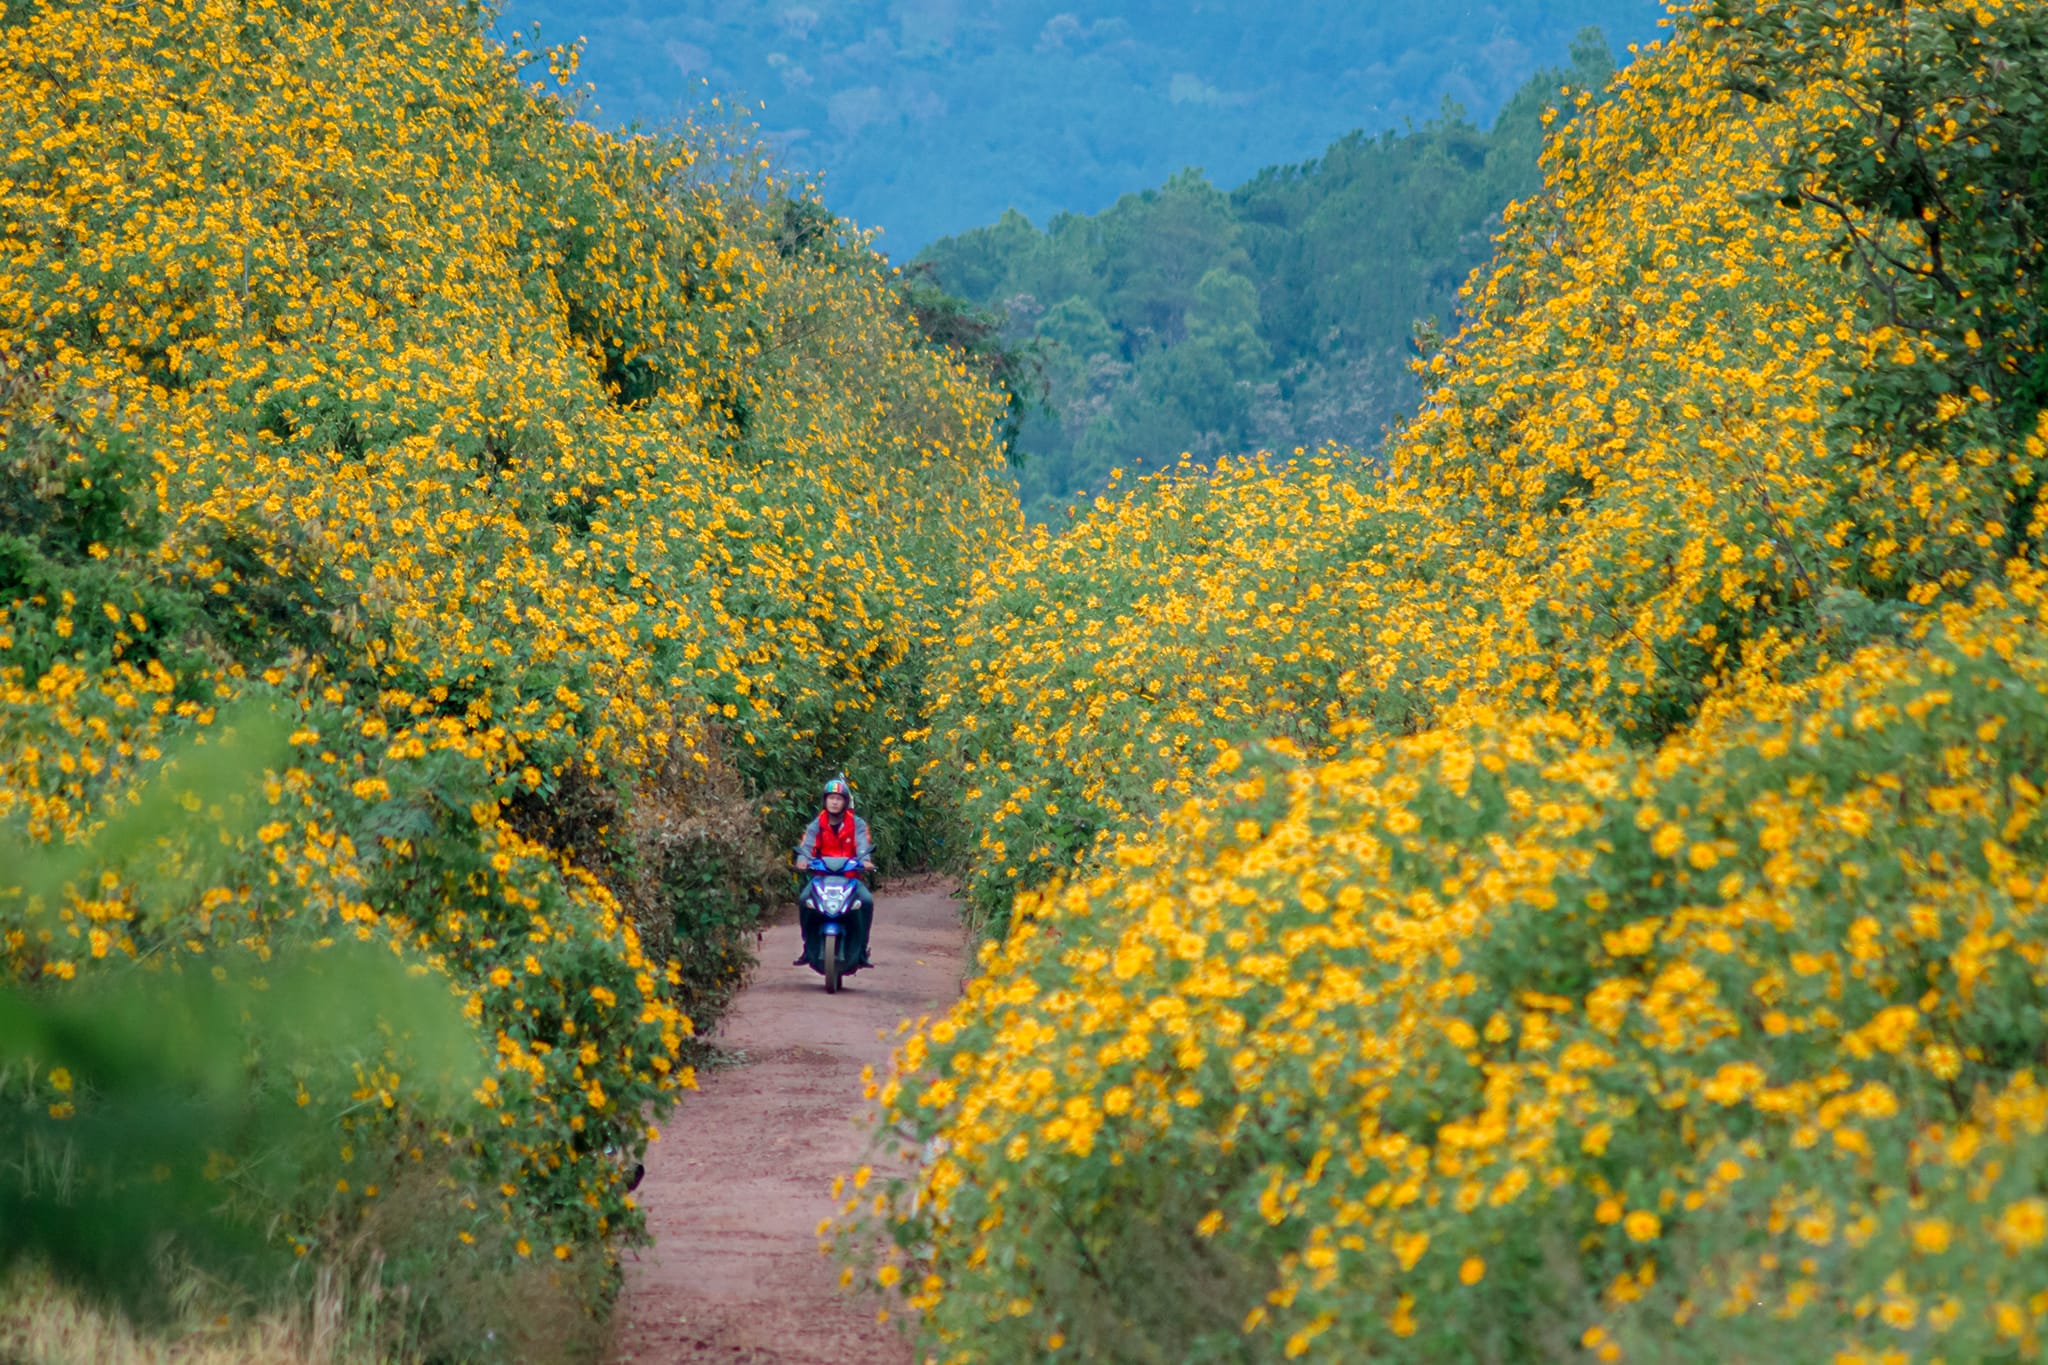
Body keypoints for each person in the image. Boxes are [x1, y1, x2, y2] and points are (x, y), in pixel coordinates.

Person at [793, 777, 876, 968]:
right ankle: (808, 947)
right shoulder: (817, 824)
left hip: (850, 879)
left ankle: (862, 951)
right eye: (831, 797)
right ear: (825, 800)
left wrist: (865, 861)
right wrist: (802, 860)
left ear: (845, 802)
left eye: (839, 798)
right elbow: (807, 845)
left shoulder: (857, 824)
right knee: (805, 900)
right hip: (821, 879)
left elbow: (863, 844)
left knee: (867, 902)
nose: (834, 802)